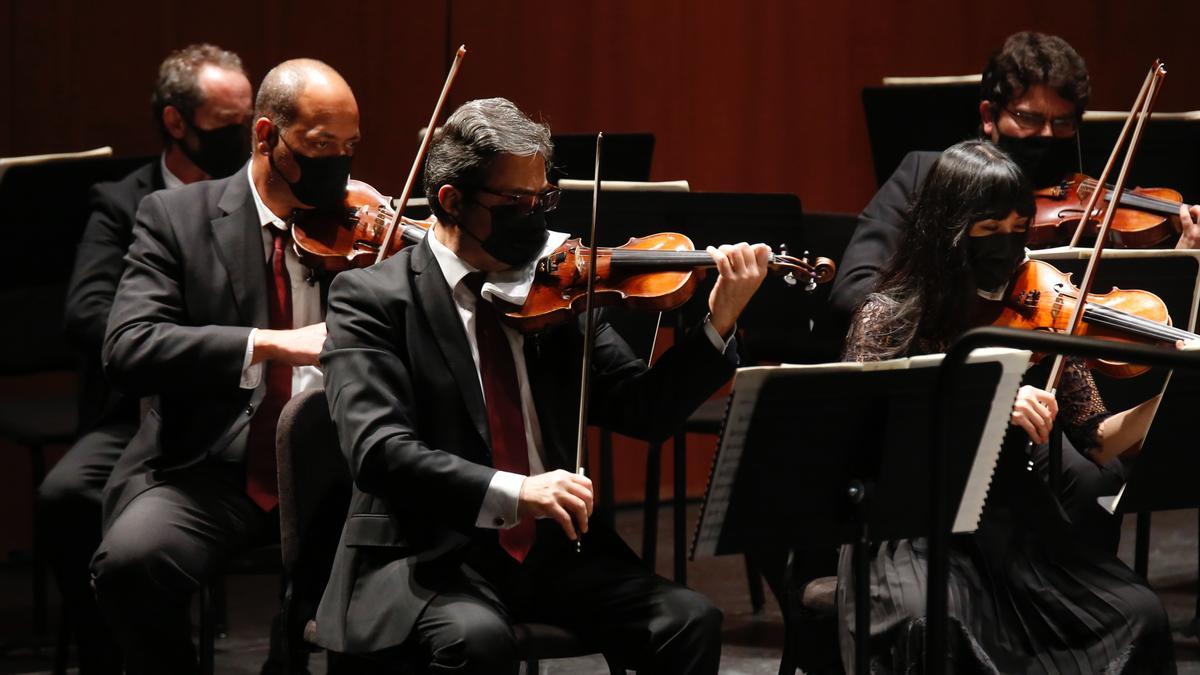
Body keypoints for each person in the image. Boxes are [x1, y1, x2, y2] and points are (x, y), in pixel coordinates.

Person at [310, 97, 771, 673]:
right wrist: (517, 490)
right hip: (429, 553)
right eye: (517, 202)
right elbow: (377, 451)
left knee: (687, 621)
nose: (537, 216)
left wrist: (719, 320)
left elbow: (645, 409)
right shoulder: (371, 298)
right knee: (476, 641)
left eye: (544, 197)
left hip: (552, 551)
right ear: (453, 201)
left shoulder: (559, 290)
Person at [829, 30, 1200, 552]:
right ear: (990, 116)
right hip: (938, 387)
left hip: (1050, 389)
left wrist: (1183, 256)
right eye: (1028, 119)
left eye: (1062, 123)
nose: (1045, 137)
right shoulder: (927, 175)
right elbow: (855, 292)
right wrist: (969, 342)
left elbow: (1093, 428)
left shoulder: (1084, 201)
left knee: (1093, 481)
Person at [838, 139, 1173, 674]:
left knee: (1141, 613)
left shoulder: (1042, 310)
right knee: (937, 626)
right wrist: (985, 403)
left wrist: (1170, 397)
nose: (1007, 247)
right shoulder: (890, 316)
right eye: (988, 231)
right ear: (944, 230)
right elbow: (868, 441)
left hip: (1012, 530)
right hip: (914, 527)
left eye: (1018, 230)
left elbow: (1097, 437)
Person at [89, 58, 357, 674]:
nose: (340, 164)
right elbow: (128, 346)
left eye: (350, 147)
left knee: (400, 577)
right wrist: (266, 343)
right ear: (266, 136)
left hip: (342, 474)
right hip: (215, 466)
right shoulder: (175, 218)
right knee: (133, 565)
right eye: (321, 146)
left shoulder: (364, 232)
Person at [41, 43, 251, 674]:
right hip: (139, 409)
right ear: (176, 122)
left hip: (238, 404)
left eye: (248, 121)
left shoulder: (260, 199)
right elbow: (85, 314)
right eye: (225, 124)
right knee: (66, 495)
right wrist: (172, 346)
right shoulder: (121, 202)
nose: (240, 137)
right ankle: (117, 655)